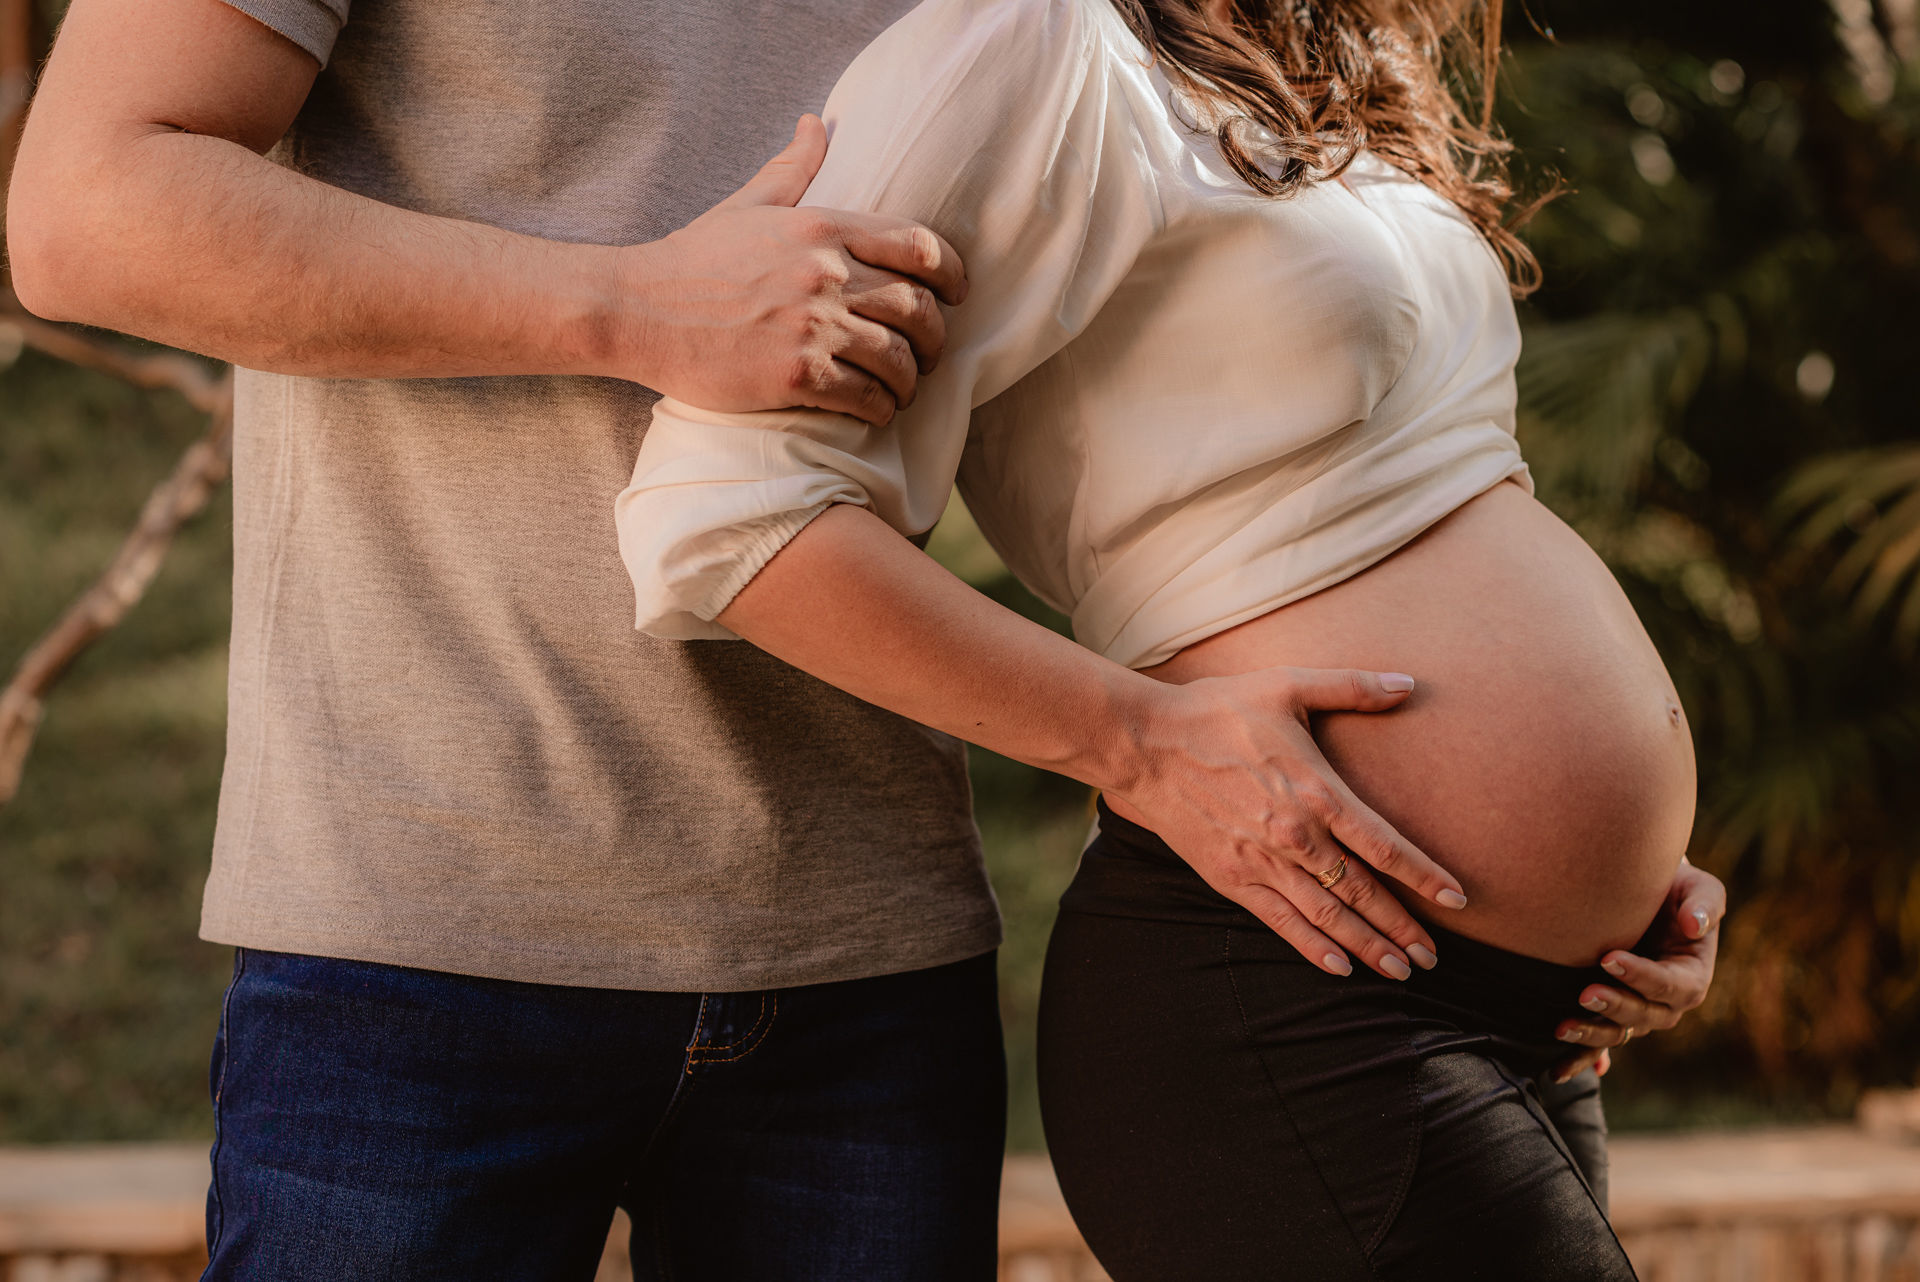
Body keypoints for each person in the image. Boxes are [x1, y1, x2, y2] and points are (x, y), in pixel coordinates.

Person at [7, 0, 1698, 1278]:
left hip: (861, 945)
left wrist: (1575, 885)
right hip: (430, 909)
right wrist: (625, 305)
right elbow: (85, 210)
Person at [612, 0, 1726, 1277]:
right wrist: (1135, 745)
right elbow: (723, 515)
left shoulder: (1326, 58)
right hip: (1281, 977)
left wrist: (1624, 880)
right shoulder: (1029, 41)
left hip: (1522, 1008)